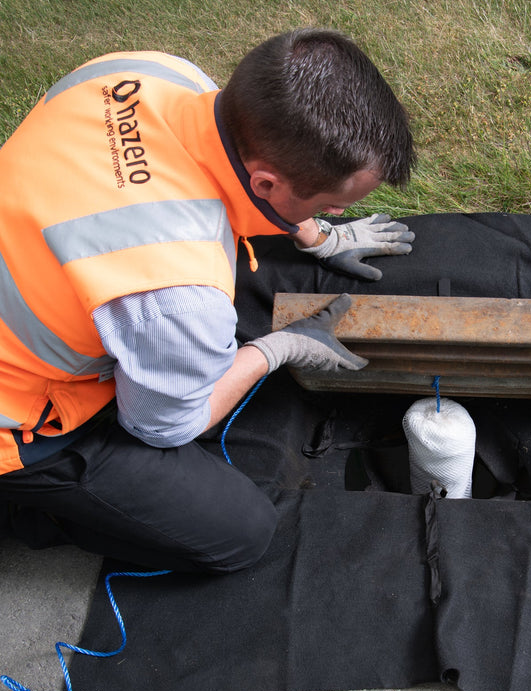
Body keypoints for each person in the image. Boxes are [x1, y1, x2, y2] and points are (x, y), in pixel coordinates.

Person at [0, 29, 416, 573]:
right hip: (17, 418)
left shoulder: (150, 70)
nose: (337, 214)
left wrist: (318, 236)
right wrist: (278, 348)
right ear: (266, 185)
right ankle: (30, 507)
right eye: (331, 206)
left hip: (29, 275)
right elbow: (162, 428)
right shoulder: (180, 296)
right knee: (237, 533)